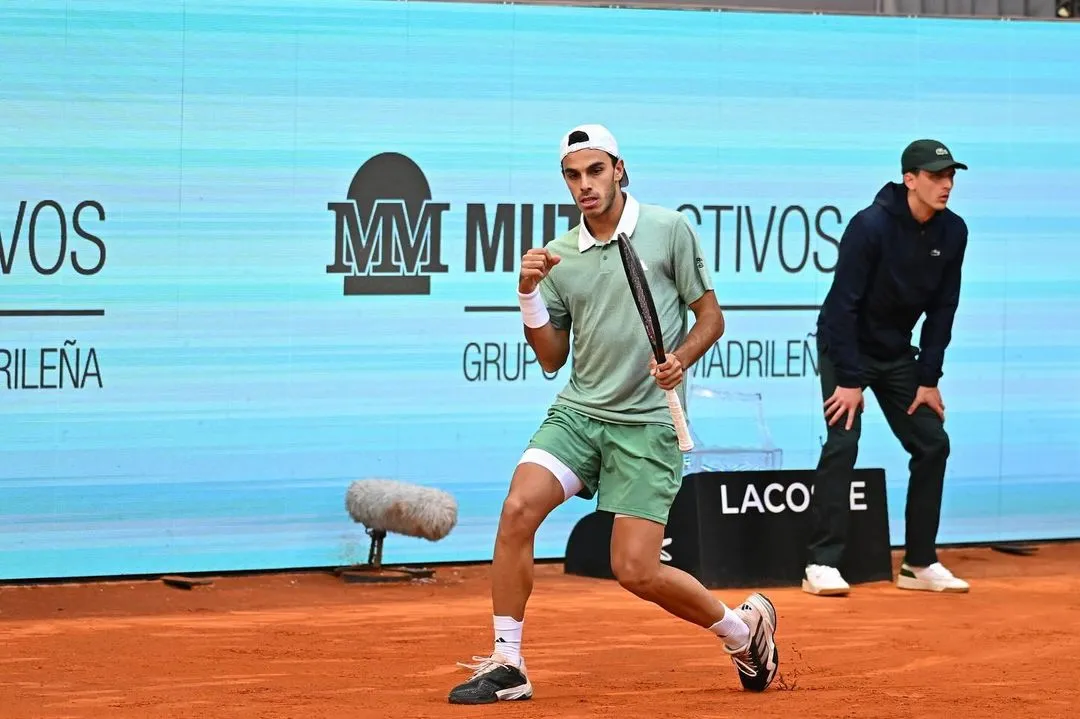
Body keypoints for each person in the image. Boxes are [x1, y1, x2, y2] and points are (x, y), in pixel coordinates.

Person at [447, 124, 780, 705]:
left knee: (635, 570)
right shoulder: (560, 256)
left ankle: (741, 630)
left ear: (619, 169)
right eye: (573, 176)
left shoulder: (668, 230)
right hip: (579, 415)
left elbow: (710, 318)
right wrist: (527, 296)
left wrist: (680, 359)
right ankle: (508, 663)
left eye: (595, 171)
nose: (585, 185)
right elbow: (551, 357)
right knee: (517, 508)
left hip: (647, 424)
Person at [803, 139, 972, 597]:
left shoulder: (953, 232)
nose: (947, 184)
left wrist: (928, 379)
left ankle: (919, 563)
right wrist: (852, 380)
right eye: (937, 176)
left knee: (932, 442)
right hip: (847, 347)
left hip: (898, 354)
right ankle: (821, 563)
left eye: (951, 176)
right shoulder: (870, 225)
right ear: (910, 179)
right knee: (843, 441)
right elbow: (842, 307)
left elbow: (944, 308)